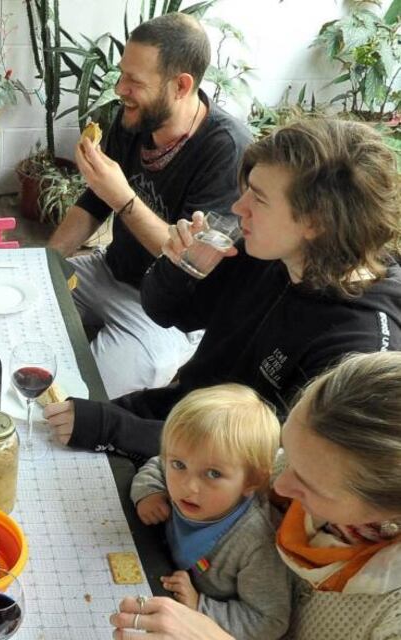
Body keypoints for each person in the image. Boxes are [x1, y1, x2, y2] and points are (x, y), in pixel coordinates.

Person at [47, 118, 401, 463]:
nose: (237, 207)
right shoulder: (268, 253)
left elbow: (258, 458)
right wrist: (178, 266)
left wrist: (112, 428)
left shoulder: (357, 349)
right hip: (169, 416)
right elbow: (168, 313)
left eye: (258, 199)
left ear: (317, 221)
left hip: (207, 473)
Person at [111, 351, 401, 639]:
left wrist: (209, 632)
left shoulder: (390, 619)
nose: (278, 485)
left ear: (389, 511)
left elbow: (267, 620)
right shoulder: (301, 462)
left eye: (309, 483)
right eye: (287, 452)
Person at [47, 12, 252, 399]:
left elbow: (191, 259)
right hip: (108, 271)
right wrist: (47, 263)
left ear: (180, 86)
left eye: (135, 81)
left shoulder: (226, 149)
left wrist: (122, 197)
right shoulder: (132, 120)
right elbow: (93, 202)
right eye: (122, 74)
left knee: (85, 397)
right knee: (22, 305)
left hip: (165, 312)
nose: (120, 89)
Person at [131, 384, 290, 639]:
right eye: (180, 464)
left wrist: (200, 606)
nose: (188, 486)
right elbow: (157, 466)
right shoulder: (180, 474)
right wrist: (148, 493)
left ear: (253, 481)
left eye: (213, 474)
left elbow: (269, 621)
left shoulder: (256, 543)